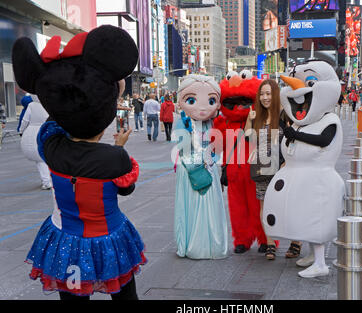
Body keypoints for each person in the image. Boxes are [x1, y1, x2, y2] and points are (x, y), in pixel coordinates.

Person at [12, 25, 146, 299]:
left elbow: (52, 125)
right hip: (109, 238)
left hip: (66, 239)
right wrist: (119, 146)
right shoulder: (115, 158)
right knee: (123, 291)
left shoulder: (51, 147)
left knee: (72, 293)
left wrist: (60, 94)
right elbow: (126, 189)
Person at [263, 61, 345, 278]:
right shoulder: (300, 123)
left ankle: (320, 263)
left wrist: (295, 135)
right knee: (306, 219)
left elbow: (323, 140)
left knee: (316, 220)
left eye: (310, 82)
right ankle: (311, 255)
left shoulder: (330, 119)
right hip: (301, 179)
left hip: (319, 180)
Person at [244, 79, 302, 260]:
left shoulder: (284, 115)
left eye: (268, 93)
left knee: (288, 206)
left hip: (283, 168)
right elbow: (249, 138)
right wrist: (249, 119)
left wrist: (287, 163)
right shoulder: (258, 116)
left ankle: (296, 243)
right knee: (264, 205)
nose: (265, 97)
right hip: (262, 167)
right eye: (262, 94)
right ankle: (270, 244)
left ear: (275, 95)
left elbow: (294, 140)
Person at [173, 75, 228, 260]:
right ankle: (192, 244)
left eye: (211, 101)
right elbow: (183, 148)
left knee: (210, 206)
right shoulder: (182, 122)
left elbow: (218, 147)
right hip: (189, 170)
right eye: (191, 100)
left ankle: (211, 244)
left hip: (209, 168)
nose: (203, 107)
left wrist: (211, 159)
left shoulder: (215, 123)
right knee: (191, 206)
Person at [213, 70, 268, 254]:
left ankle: (265, 239)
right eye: (232, 103)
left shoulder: (260, 120)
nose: (238, 107)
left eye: (243, 102)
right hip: (233, 172)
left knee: (258, 205)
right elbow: (216, 147)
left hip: (256, 171)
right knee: (237, 208)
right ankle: (242, 239)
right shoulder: (223, 123)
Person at [19, 95, 52, 190]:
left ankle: (46, 181)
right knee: (47, 157)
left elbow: (25, 120)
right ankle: (48, 179)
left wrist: (21, 131)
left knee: (39, 159)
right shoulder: (48, 103)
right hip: (46, 129)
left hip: (32, 132)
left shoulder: (32, 105)